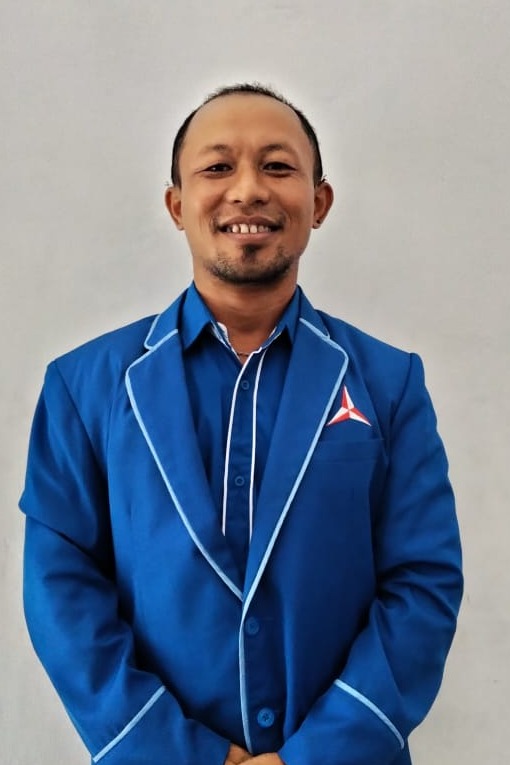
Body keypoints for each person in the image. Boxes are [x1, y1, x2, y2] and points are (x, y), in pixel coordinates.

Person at [20, 83, 463, 765]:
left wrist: (314, 755)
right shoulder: (85, 387)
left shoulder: (388, 383)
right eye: (218, 166)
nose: (248, 189)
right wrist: (184, 753)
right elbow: (61, 589)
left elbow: (422, 584)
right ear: (177, 205)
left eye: (278, 166)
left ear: (319, 202)